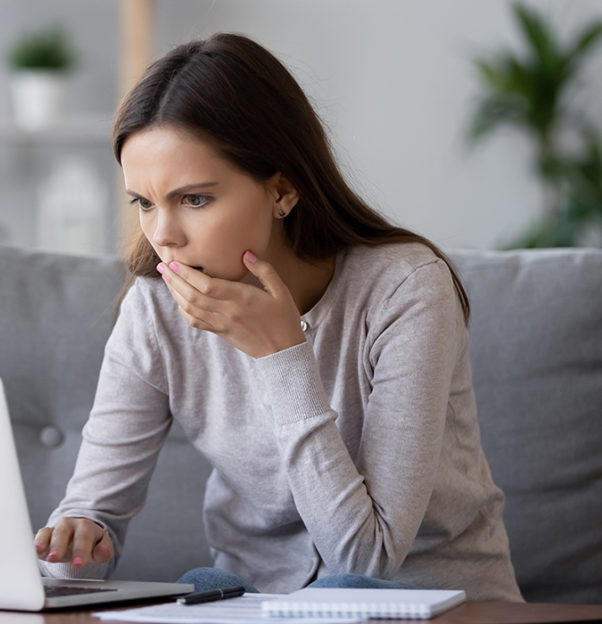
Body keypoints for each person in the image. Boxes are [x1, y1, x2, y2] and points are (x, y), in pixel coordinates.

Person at [33, 32, 523, 601]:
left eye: (195, 199)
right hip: (256, 603)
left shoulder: (406, 290)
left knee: (341, 584)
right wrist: (78, 540)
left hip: (428, 599)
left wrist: (282, 357)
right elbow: (88, 527)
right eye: (144, 202)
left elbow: (364, 559)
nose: (163, 235)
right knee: (201, 588)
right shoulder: (155, 309)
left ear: (283, 190)